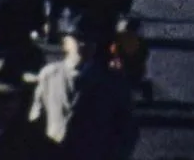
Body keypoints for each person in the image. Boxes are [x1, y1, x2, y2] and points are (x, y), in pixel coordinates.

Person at [28, 14, 137, 160]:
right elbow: (36, 119)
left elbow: (127, 130)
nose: (84, 44)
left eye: (90, 40)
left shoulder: (112, 83)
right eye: (78, 38)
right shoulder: (49, 75)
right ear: (65, 42)